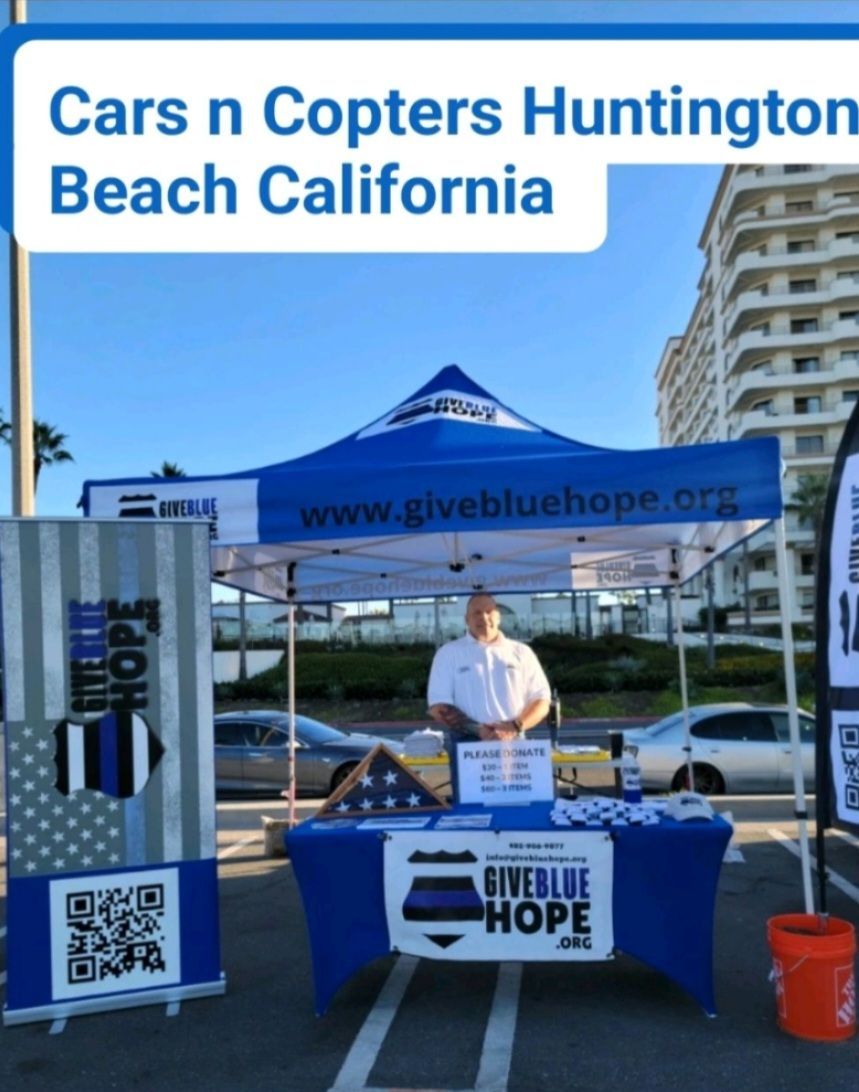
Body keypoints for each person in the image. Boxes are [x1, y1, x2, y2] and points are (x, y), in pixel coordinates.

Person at [427, 593, 551, 799]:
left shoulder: (522, 652)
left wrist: (513, 727)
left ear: (499, 616)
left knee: (518, 806)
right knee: (471, 810)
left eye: (489, 612)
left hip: (515, 743)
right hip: (467, 745)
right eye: (476, 613)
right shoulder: (448, 653)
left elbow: (542, 700)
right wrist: (480, 730)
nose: (483, 618)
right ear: (466, 619)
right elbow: (438, 706)